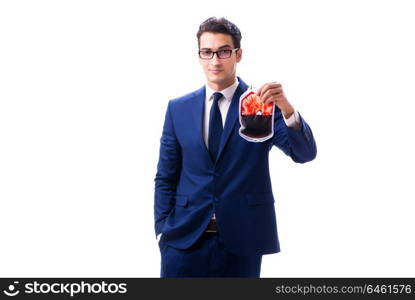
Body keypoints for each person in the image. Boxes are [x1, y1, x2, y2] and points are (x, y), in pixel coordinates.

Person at [154, 16, 317, 277]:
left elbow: (304, 153)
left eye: (223, 51)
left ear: (238, 54)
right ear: (199, 56)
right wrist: (162, 229)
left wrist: (286, 108)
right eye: (207, 52)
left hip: (242, 241)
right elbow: (165, 176)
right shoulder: (178, 109)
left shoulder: (261, 104)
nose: (215, 60)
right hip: (183, 240)